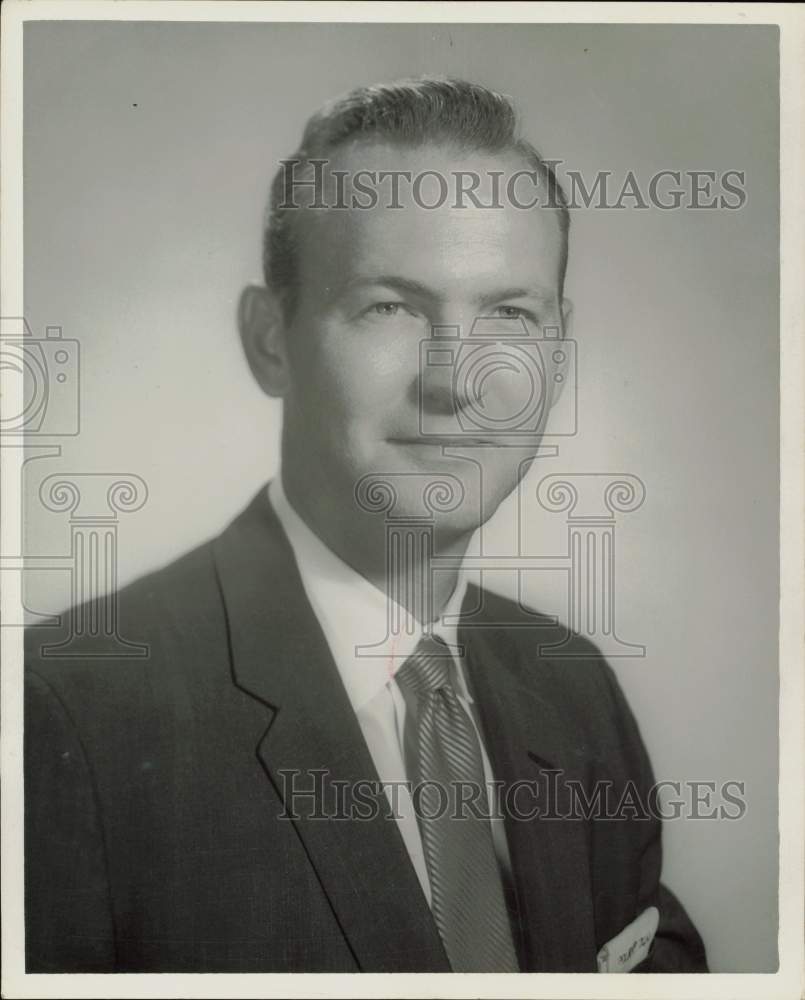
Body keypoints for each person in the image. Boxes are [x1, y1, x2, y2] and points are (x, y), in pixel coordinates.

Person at [24, 77, 708, 973]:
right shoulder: (67, 716)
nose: (456, 380)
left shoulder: (571, 687)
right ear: (270, 338)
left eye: (509, 313)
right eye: (389, 307)